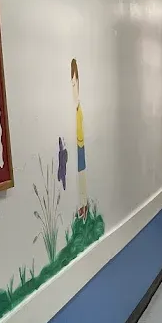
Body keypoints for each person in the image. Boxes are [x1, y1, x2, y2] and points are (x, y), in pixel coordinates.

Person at [70, 58, 88, 218]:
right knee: (79, 177)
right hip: (77, 146)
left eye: (75, 84)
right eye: (72, 84)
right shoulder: (74, 109)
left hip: (80, 146)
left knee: (82, 176)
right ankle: (82, 206)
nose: (74, 88)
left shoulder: (78, 108)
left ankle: (84, 205)